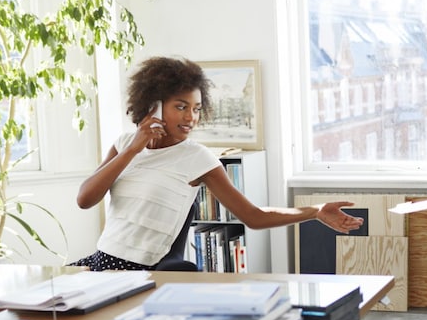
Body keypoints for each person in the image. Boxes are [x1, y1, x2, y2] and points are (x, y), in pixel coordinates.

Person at [70, 56, 363, 272]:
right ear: (153, 105)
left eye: (196, 109)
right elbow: (85, 199)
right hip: (101, 262)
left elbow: (253, 216)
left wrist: (315, 212)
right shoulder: (123, 144)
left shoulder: (198, 158)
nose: (190, 118)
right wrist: (132, 149)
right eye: (181, 107)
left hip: (141, 274)